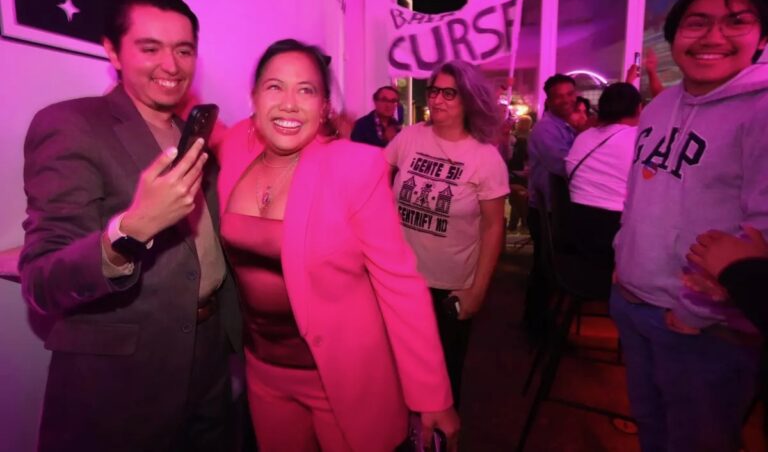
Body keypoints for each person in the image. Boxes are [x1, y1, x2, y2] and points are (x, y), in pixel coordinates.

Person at [19, 0, 241, 452]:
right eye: (150, 48)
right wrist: (130, 229)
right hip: (119, 385)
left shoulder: (195, 135)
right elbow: (41, 279)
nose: (172, 65)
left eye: (184, 50)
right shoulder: (71, 125)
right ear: (112, 51)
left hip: (208, 361)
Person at [215, 39, 459, 452]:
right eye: (274, 87)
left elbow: (399, 284)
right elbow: (187, 113)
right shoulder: (237, 149)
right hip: (263, 373)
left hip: (341, 380)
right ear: (253, 98)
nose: (289, 103)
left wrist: (432, 394)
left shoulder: (355, 168)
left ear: (326, 106)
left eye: (306, 90)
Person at [611, 0, 768, 452]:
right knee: (652, 425)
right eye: (697, 22)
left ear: (761, 37)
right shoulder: (659, 106)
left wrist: (700, 309)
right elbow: (641, 192)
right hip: (633, 300)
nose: (712, 36)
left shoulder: (761, 111)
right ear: (675, 34)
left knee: (698, 441)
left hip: (702, 325)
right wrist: (622, 261)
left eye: (735, 21)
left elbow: (761, 234)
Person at [385, 60, 509, 406]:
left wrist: (477, 290)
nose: (437, 99)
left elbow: (493, 226)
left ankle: (439, 440)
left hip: (449, 286)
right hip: (401, 277)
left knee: (442, 379)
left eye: (449, 93)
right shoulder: (411, 136)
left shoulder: (485, 158)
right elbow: (375, 178)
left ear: (468, 100)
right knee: (396, 371)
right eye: (434, 91)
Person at [564, 82, 641, 268]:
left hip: (576, 226)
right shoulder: (638, 138)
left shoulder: (583, 137)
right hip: (616, 230)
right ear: (639, 109)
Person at [523, 73, 577, 336]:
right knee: (545, 270)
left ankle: (541, 323)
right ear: (550, 99)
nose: (566, 100)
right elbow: (563, 166)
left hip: (554, 209)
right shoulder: (547, 129)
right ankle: (535, 327)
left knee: (547, 269)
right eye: (560, 96)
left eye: (570, 94)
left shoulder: (567, 126)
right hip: (545, 211)